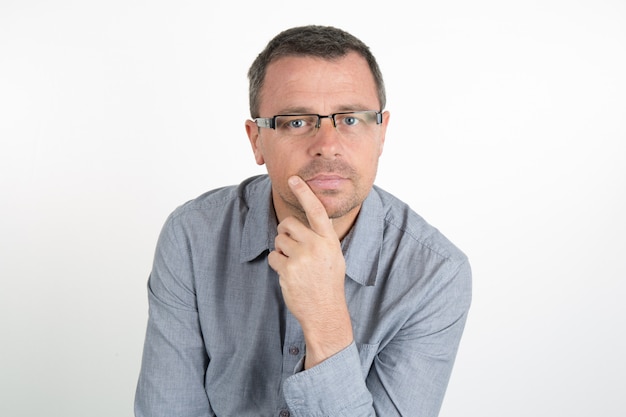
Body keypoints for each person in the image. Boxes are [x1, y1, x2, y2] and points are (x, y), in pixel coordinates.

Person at [134, 25, 472, 417]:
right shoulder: (192, 236)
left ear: (381, 134)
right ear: (257, 140)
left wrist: (325, 317)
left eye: (351, 120)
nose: (327, 144)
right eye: (296, 122)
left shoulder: (436, 275)